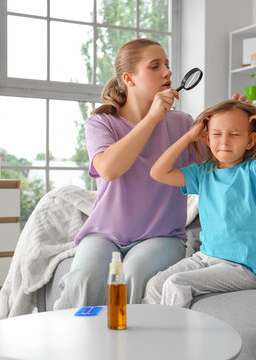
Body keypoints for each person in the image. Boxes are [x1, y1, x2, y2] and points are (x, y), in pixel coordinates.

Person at [53, 38, 192, 309]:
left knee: (131, 276)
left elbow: (218, 164)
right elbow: (109, 168)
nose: (167, 73)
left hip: (162, 236)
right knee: (82, 280)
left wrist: (237, 123)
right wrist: (152, 117)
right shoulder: (101, 122)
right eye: (155, 66)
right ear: (129, 78)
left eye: (167, 65)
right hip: (104, 234)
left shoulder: (183, 123)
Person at [142, 99, 256, 308]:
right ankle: (149, 336)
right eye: (216, 134)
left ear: (250, 141)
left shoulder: (254, 172)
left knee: (177, 283)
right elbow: (158, 172)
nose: (224, 141)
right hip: (205, 258)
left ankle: (173, 339)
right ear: (207, 139)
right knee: (155, 284)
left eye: (235, 134)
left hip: (243, 268)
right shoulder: (203, 173)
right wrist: (188, 137)